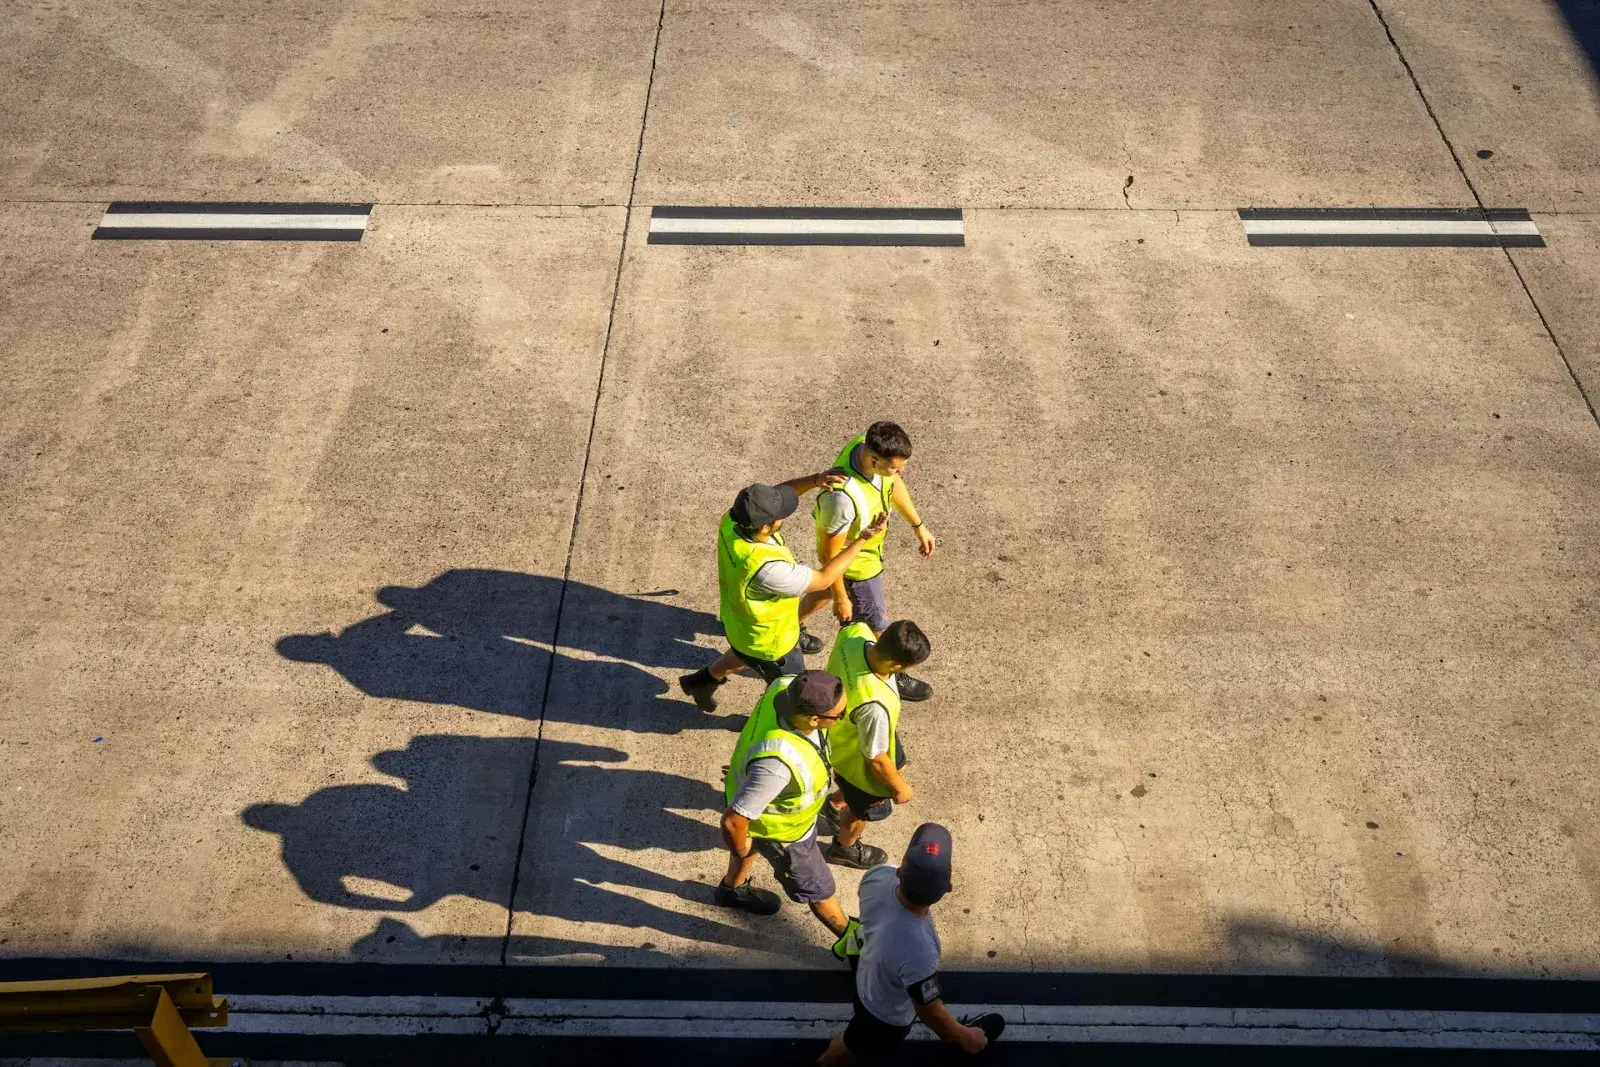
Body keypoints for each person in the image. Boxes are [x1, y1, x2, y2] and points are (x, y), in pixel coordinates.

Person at [680, 480, 887, 713]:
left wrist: (816, 479)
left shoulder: (732, 521)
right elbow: (824, 578)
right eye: (780, 515)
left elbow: (768, 497)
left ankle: (701, 682)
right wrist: (861, 539)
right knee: (791, 690)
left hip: (742, 626)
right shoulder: (767, 569)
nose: (784, 517)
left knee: (745, 653)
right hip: (772, 642)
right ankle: (774, 721)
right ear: (765, 527)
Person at [819, 825, 1004, 1064]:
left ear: (899, 873)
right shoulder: (921, 951)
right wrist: (965, 1035)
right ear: (947, 889)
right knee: (849, 1045)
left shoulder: (877, 876)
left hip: (866, 966)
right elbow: (928, 1009)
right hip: (882, 1015)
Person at [716, 671, 856, 941]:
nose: (843, 717)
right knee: (819, 889)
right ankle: (855, 945)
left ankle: (731, 890)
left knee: (749, 841)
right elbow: (733, 822)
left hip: (755, 805)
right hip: (787, 835)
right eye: (839, 715)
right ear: (814, 719)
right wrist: (740, 843)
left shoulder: (784, 686)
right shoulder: (778, 764)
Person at [814, 421, 936, 701]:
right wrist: (842, 598)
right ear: (873, 460)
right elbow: (828, 556)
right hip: (858, 568)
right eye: (895, 467)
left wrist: (918, 525)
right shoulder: (841, 499)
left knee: (822, 592)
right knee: (878, 624)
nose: (899, 472)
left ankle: (791, 625)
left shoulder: (868, 446)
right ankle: (894, 672)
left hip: (866, 554)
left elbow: (893, 485)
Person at [816, 620, 930, 870]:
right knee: (859, 812)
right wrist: (900, 788)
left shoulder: (855, 634)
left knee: (895, 762)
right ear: (897, 665)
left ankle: (834, 804)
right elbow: (876, 759)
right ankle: (843, 848)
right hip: (854, 759)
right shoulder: (875, 705)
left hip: (839, 731)